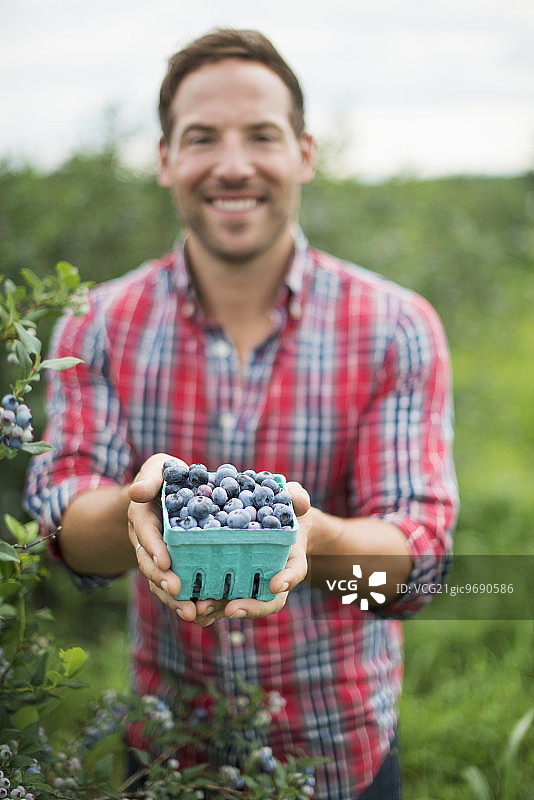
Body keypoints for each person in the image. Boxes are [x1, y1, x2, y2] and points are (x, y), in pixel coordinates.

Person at [25, 28, 459, 799]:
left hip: (337, 755)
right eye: (201, 138)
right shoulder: (97, 324)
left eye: (261, 135)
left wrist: (313, 540)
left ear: (304, 152)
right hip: (165, 756)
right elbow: (61, 533)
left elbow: (417, 565)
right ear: (165, 159)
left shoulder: (396, 326)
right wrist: (137, 519)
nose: (233, 165)